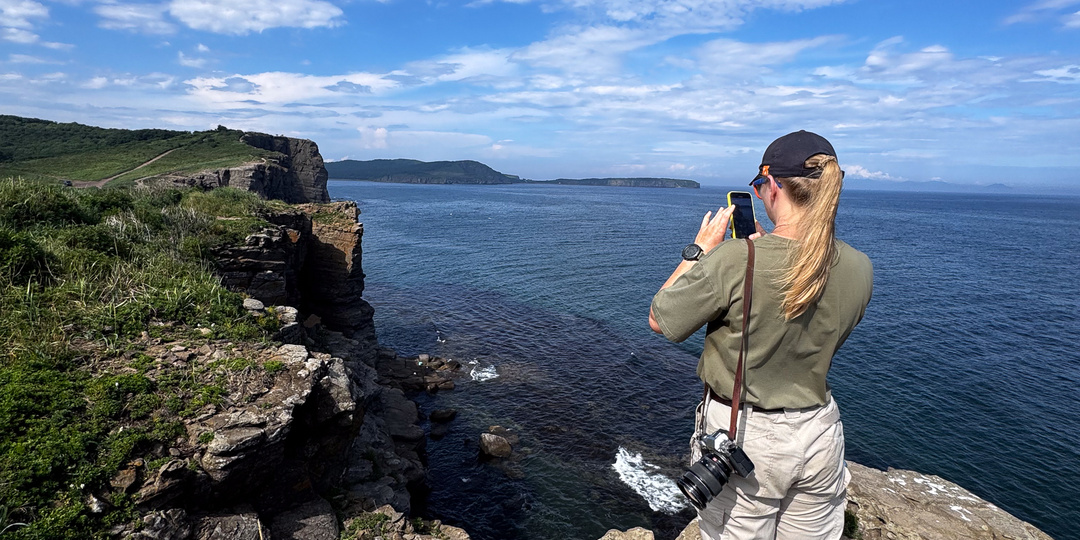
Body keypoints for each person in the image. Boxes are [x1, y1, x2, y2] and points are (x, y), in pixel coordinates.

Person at [648, 131, 873, 540]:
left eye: (758, 185)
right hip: (820, 433)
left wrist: (698, 252)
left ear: (772, 187)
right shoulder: (860, 267)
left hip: (747, 440)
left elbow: (662, 318)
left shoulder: (737, 258)